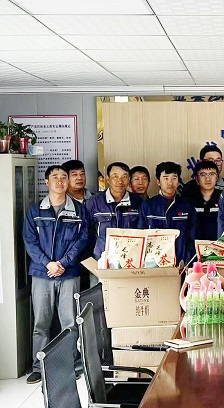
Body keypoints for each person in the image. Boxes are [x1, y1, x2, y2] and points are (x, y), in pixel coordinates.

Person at [23, 165, 88, 384]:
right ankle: (39, 367)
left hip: (69, 273)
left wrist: (62, 263)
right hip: (42, 274)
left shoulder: (79, 210)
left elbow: (82, 240)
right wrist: (48, 264)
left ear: (67, 182)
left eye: (63, 177)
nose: (60, 181)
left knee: (70, 322)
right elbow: (29, 241)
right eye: (55, 177)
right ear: (47, 182)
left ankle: (71, 365)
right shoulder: (35, 211)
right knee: (41, 323)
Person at [85, 162, 142, 286]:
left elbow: (142, 231)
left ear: (128, 180)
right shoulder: (94, 202)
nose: (120, 181)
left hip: (130, 263)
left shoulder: (137, 202)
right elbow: (85, 232)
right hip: (100, 263)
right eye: (115, 176)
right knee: (99, 296)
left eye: (124, 177)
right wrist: (92, 260)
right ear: (108, 179)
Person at [139, 162, 197, 265]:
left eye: (174, 178)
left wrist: (187, 262)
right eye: (165, 178)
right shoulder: (147, 205)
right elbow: (140, 235)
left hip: (180, 263)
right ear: (158, 182)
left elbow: (192, 236)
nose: (170, 182)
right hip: (153, 263)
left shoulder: (187, 205)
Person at [191, 161, 221, 241]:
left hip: (219, 244)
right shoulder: (188, 199)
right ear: (197, 179)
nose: (208, 179)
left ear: (217, 178)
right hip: (195, 245)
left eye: (212, 174)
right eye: (203, 175)